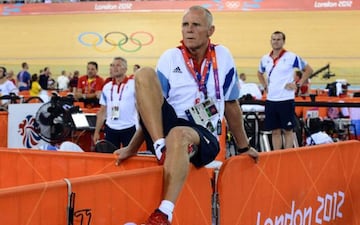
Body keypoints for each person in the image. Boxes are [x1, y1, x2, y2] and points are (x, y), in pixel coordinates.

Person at [114, 6, 258, 225]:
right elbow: (150, 109)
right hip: (169, 127)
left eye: (196, 25)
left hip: (203, 133)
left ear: (210, 30)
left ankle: (163, 214)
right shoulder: (170, 57)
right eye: (185, 25)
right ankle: (162, 146)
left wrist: (244, 148)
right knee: (143, 74)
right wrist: (132, 148)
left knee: (179, 135)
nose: (188, 30)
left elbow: (230, 104)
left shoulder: (224, 56)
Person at [257, 31, 313, 150]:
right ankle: (277, 156)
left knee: (288, 130)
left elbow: (308, 70)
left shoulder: (291, 57)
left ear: (283, 41)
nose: (276, 41)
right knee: (275, 131)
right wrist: (265, 86)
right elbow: (259, 73)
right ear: (270, 41)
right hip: (271, 99)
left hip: (286, 99)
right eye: (273, 39)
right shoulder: (265, 58)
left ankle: (287, 155)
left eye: (278, 39)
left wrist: (298, 84)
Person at [93, 57, 138, 152]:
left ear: (125, 69)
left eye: (118, 65)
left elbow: (141, 106)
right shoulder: (106, 87)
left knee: (130, 158)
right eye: (112, 65)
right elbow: (102, 111)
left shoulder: (133, 85)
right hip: (111, 128)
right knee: (110, 158)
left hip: (129, 127)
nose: (114, 68)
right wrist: (96, 132)